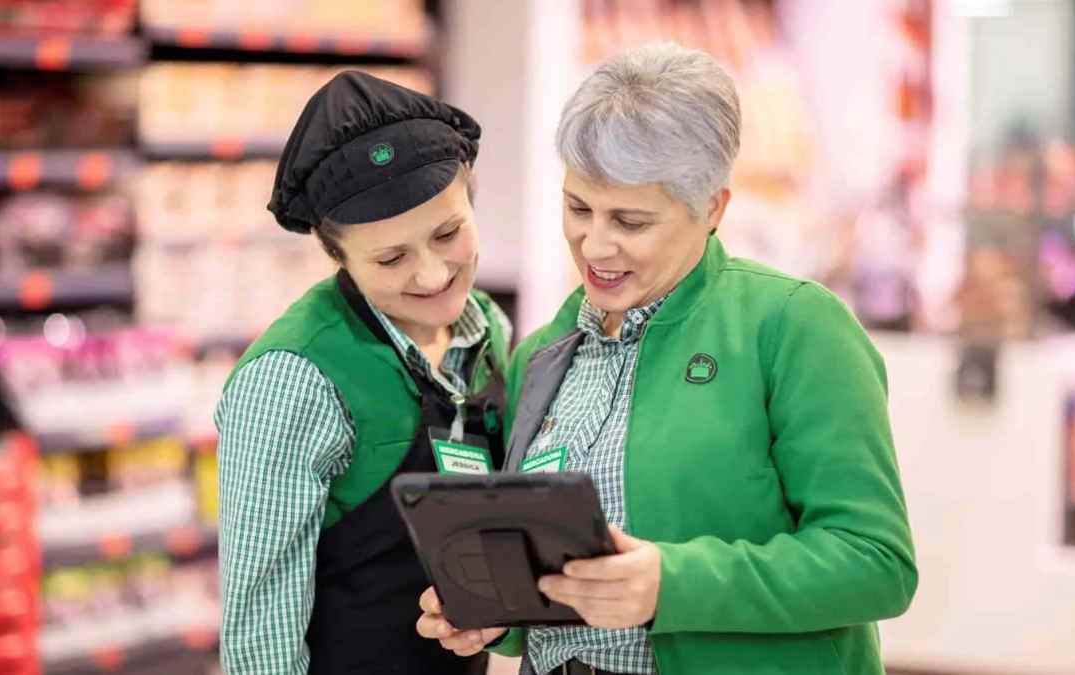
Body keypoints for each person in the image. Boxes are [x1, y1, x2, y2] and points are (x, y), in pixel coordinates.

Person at [417, 42, 917, 675]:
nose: (595, 244)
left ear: (712, 208)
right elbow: (550, 588)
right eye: (578, 208)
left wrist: (670, 584)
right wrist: (496, 616)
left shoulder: (793, 327)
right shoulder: (544, 353)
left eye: (631, 220)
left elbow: (876, 563)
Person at [216, 71, 510, 675]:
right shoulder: (293, 380)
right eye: (391, 257)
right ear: (337, 256)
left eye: (448, 233)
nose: (432, 275)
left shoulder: (488, 329)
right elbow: (258, 639)